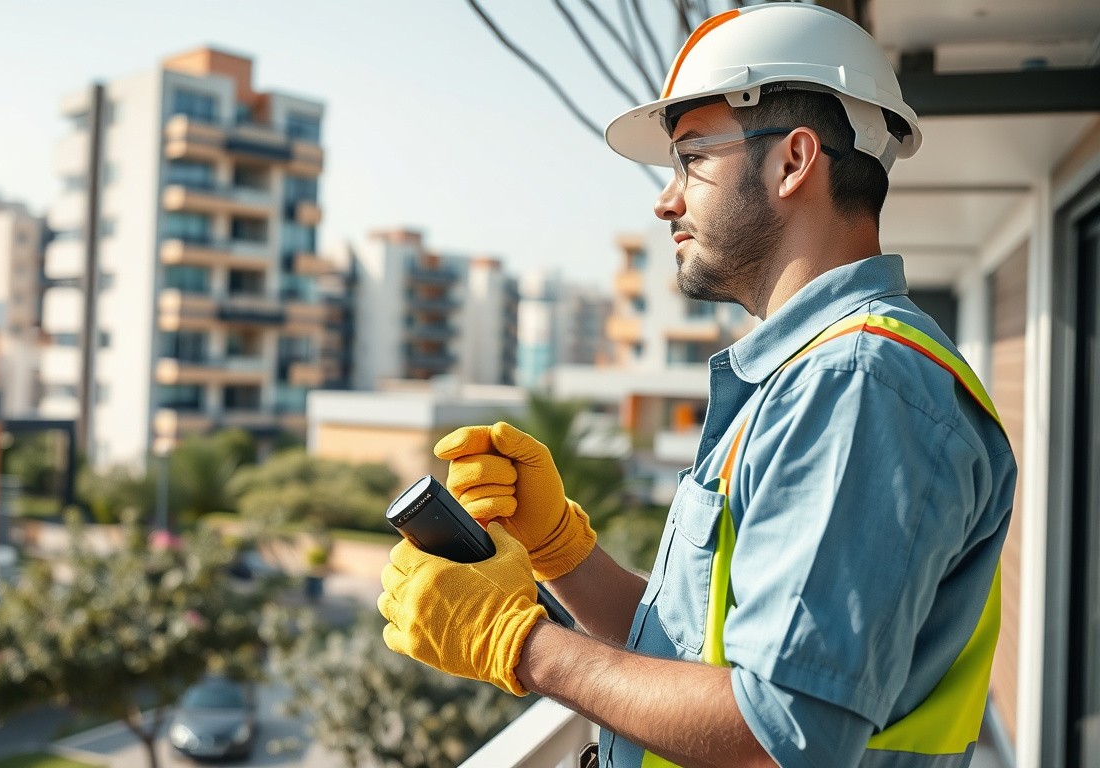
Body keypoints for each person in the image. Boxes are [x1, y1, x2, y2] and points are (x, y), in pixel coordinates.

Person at [376, 5, 1017, 767]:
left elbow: (777, 735)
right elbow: (704, 662)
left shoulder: (858, 385)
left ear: (792, 161)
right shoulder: (810, 374)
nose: (665, 199)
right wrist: (561, 553)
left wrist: (522, 645)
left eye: (691, 159)